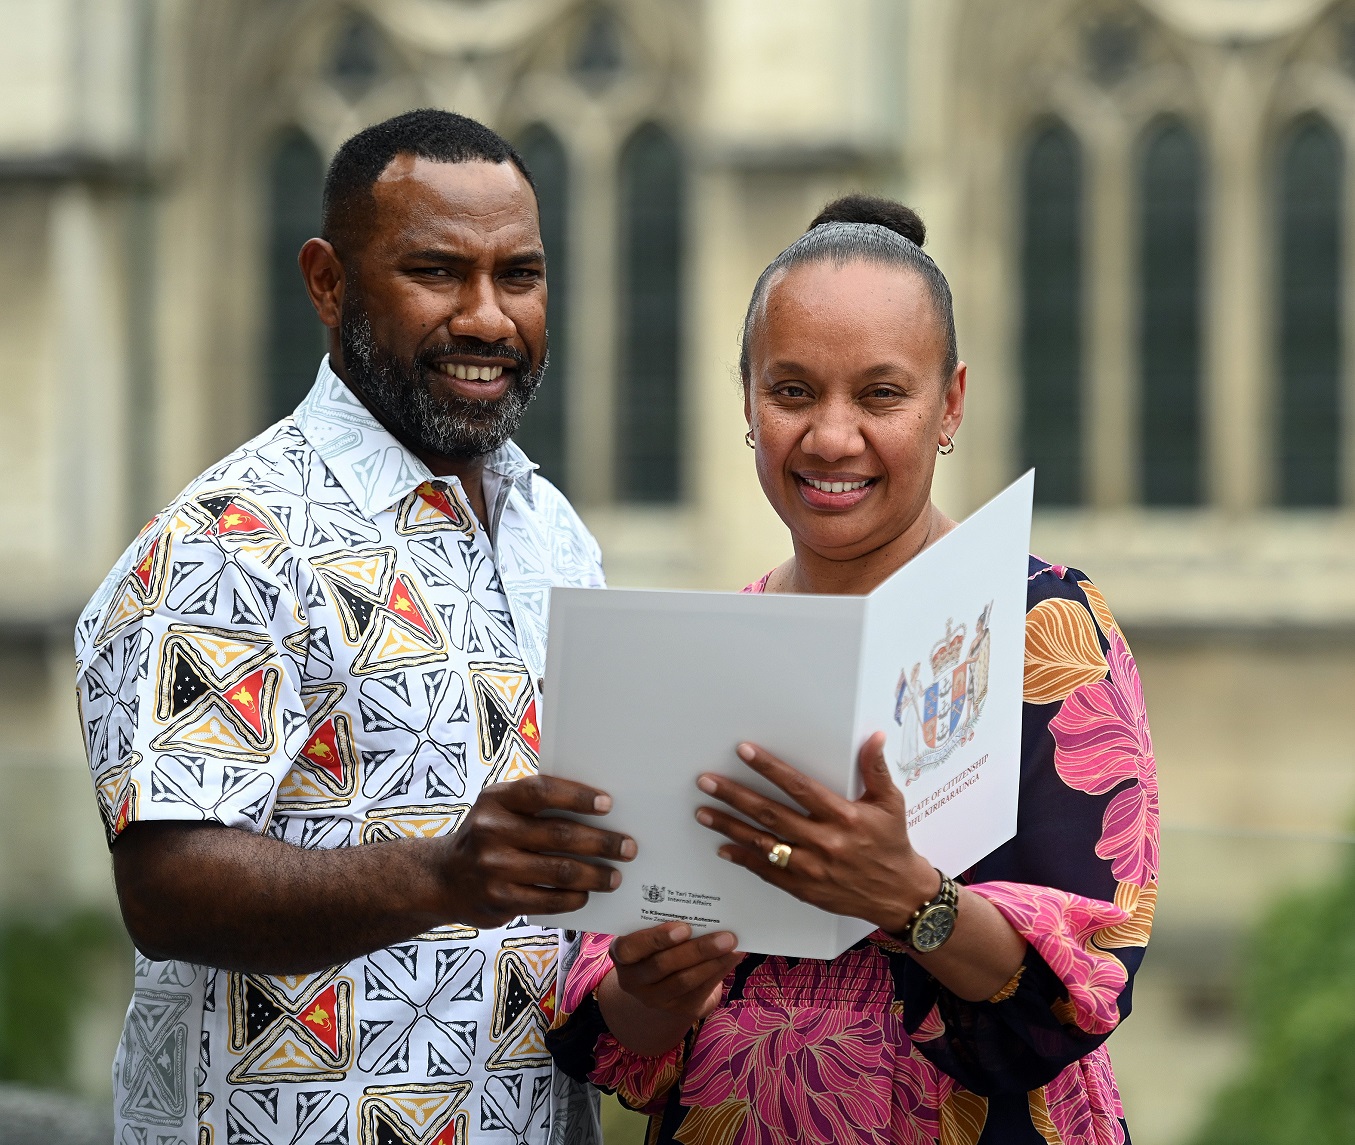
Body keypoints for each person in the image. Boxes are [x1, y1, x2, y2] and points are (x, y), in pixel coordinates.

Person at [547, 196, 1158, 1144]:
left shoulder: (1045, 629)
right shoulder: (698, 657)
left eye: (880, 394)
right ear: (746, 400)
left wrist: (910, 897)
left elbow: (1090, 973)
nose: (832, 438)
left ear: (949, 402)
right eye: (792, 392)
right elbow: (614, 1028)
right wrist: (654, 986)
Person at [75, 109, 634, 1145]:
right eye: (436, 271)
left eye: (518, 275)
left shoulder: (550, 528)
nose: (486, 318)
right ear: (328, 281)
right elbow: (167, 886)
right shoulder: (230, 537)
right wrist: (440, 877)